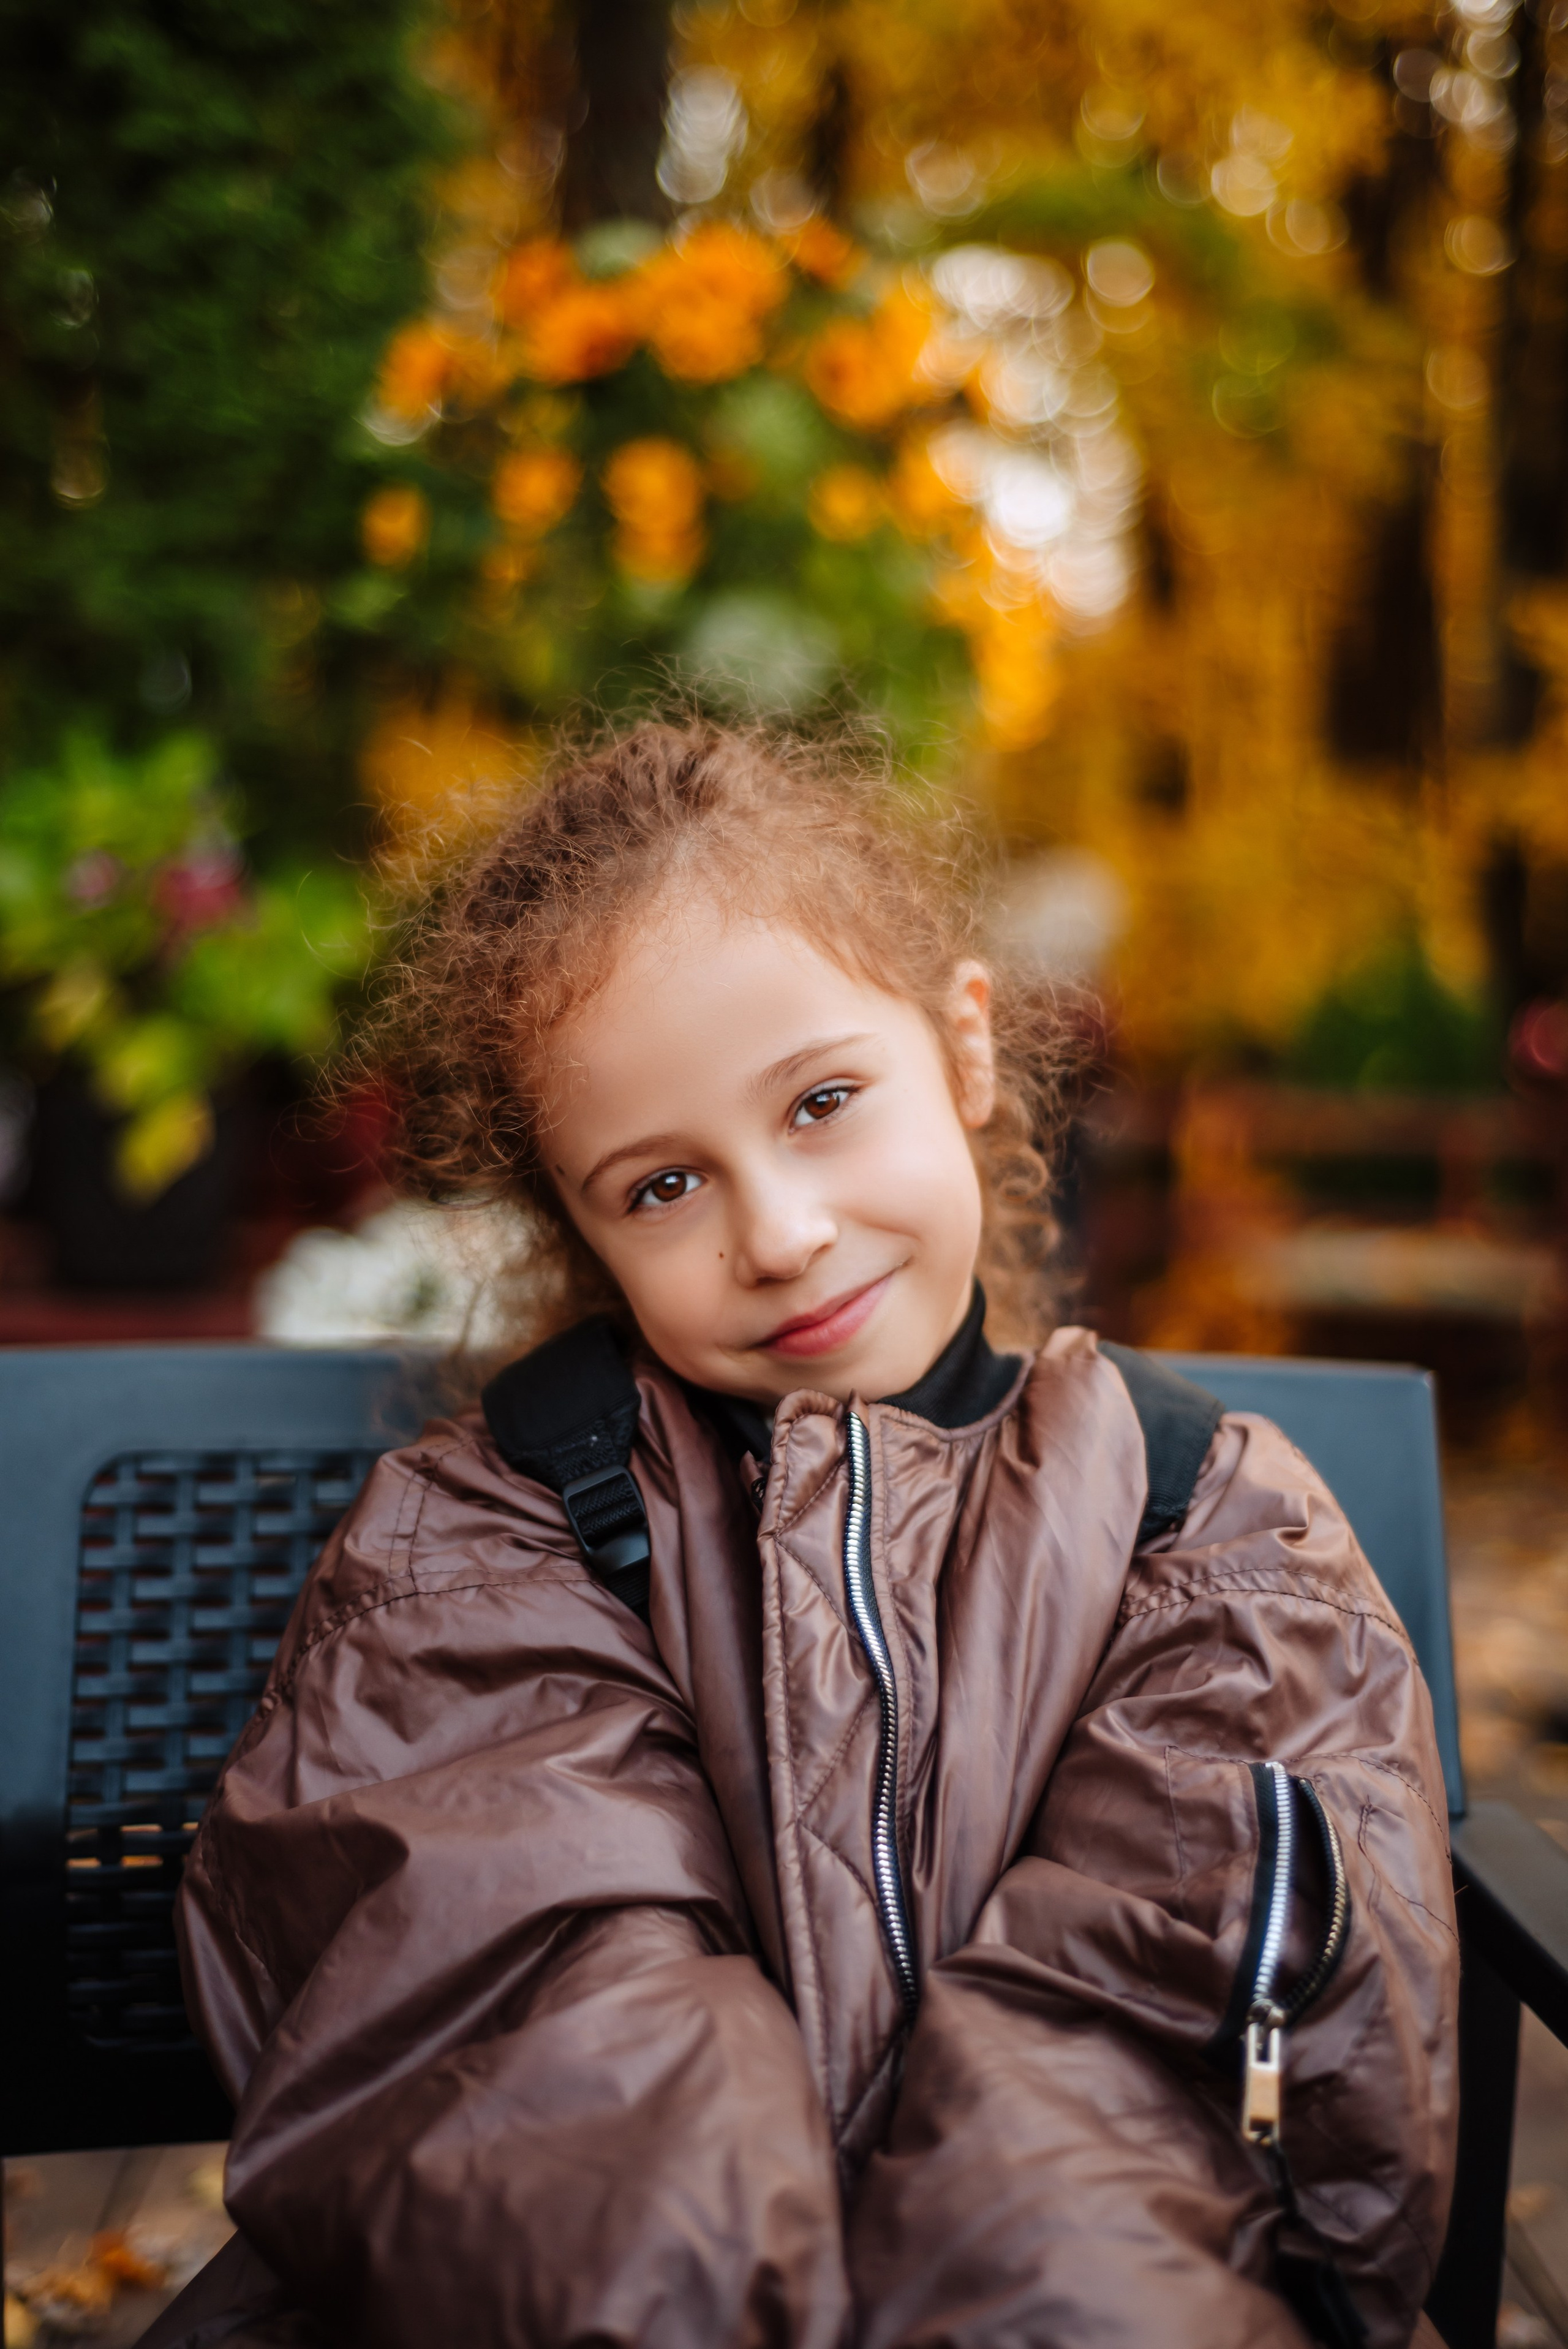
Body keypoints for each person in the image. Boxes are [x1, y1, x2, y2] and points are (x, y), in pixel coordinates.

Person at [143, 722, 1457, 2349]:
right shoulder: (487, 1538)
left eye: (823, 1100)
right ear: (581, 1222)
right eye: (663, 1185)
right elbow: (528, 2050)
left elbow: (1154, 2055)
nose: (779, 1229)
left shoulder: (1204, 1524)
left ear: (964, 1048)